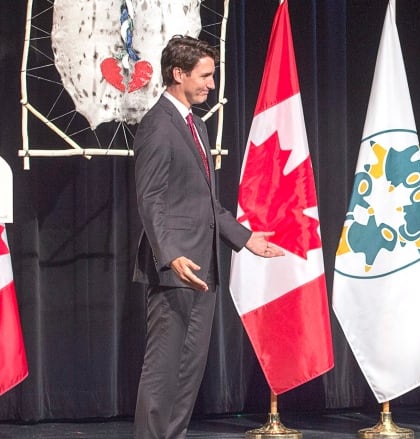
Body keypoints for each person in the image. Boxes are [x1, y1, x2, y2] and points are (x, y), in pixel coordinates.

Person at [132, 35, 283, 439]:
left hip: (205, 265)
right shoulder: (157, 125)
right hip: (176, 269)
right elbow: (151, 199)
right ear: (178, 74)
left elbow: (206, 203)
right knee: (163, 370)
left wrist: (246, 239)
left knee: (188, 372)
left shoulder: (195, 124)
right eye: (205, 75)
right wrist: (169, 255)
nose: (211, 84)